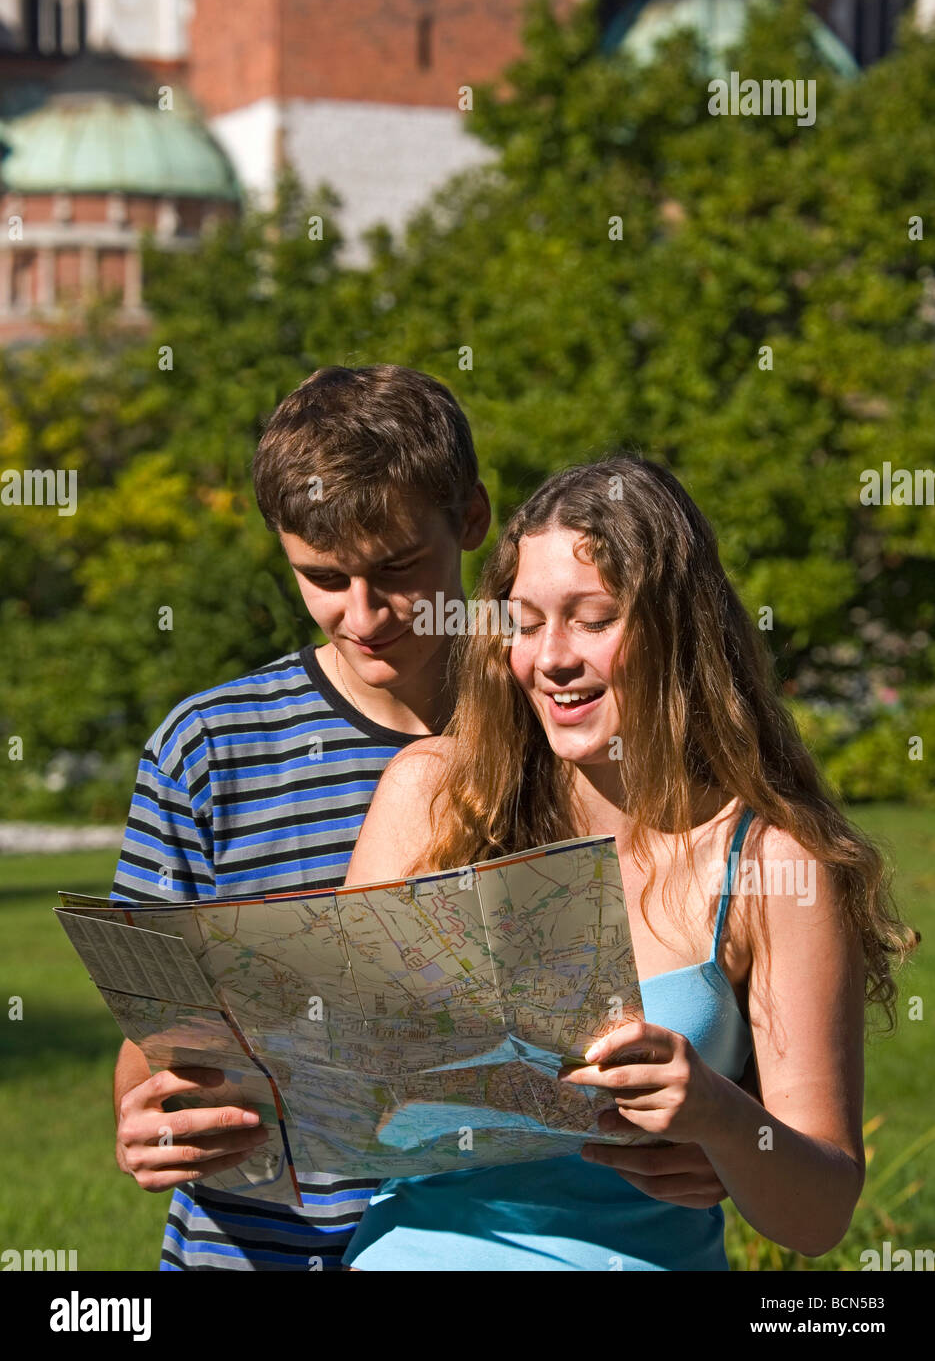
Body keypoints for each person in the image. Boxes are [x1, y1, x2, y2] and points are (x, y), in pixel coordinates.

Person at [341, 454, 918, 1271]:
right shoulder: (431, 796)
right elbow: (326, 1079)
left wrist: (721, 1119)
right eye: (528, 622)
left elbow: (819, 1213)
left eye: (593, 618)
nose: (552, 658)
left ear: (676, 629)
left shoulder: (769, 863)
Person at [110, 362, 494, 1270]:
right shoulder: (209, 749)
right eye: (320, 577)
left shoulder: (564, 718)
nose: (360, 616)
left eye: (397, 570)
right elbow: (153, 1047)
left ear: (471, 519)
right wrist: (153, 1121)